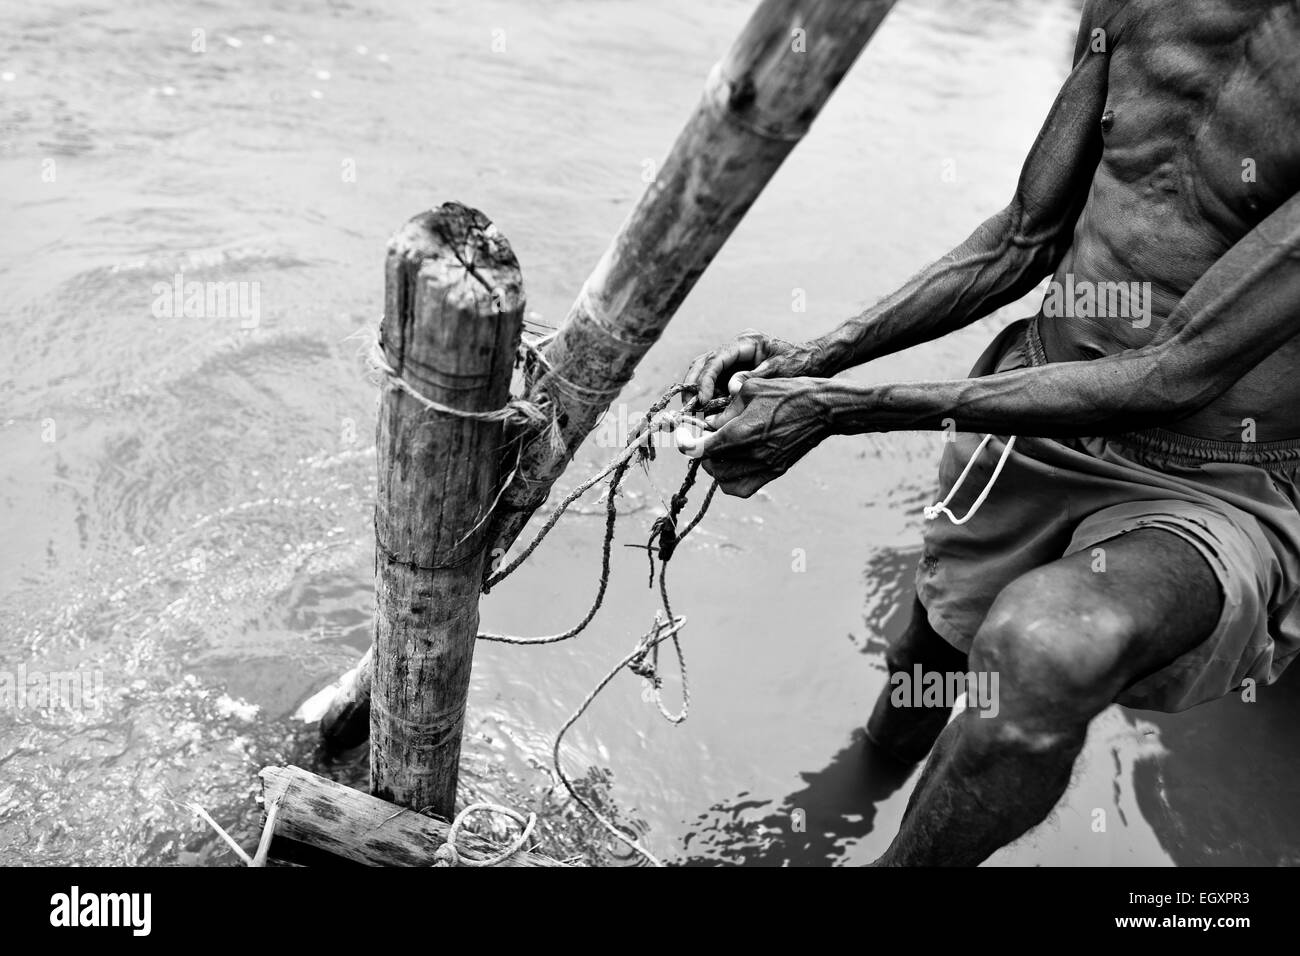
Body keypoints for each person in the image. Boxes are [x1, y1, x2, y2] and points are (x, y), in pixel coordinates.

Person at [676, 0, 1300, 865]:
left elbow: (1175, 373)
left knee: (1041, 654)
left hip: (1211, 478)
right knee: (924, 663)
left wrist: (841, 408)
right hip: (1034, 404)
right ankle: (850, 793)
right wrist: (814, 357)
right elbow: (1022, 237)